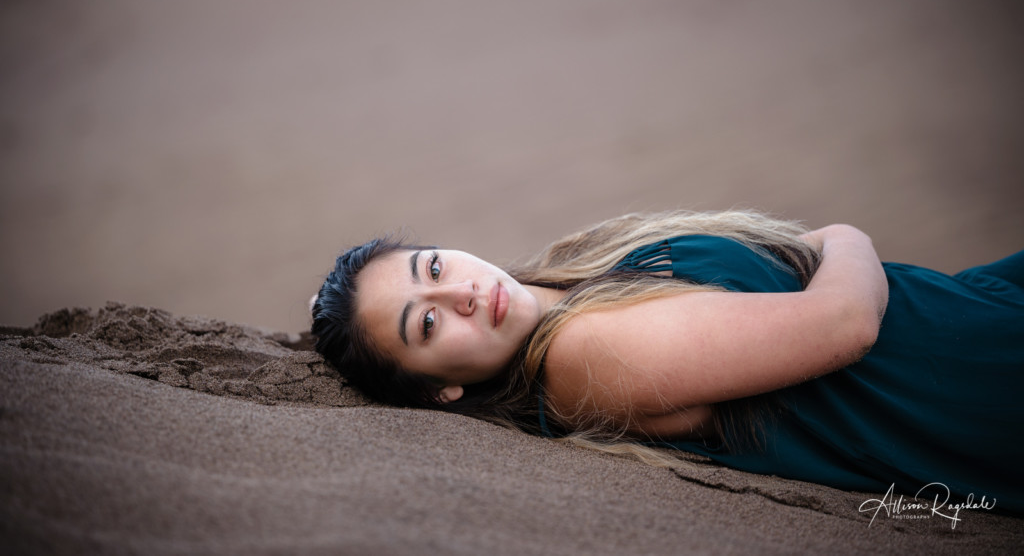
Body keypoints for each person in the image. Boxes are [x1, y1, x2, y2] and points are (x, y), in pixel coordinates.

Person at [311, 210, 1024, 513]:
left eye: (433, 265)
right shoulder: (582, 358)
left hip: (969, 308)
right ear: (443, 391)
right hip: (977, 387)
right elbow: (843, 325)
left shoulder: (567, 277)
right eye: (427, 322)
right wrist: (845, 237)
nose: (463, 291)